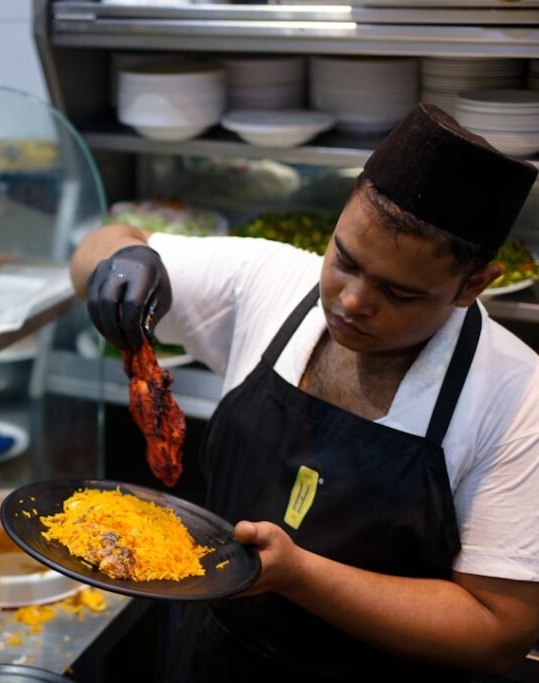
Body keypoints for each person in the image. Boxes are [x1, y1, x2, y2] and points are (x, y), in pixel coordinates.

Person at [71, 102, 539, 681]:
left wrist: (299, 575)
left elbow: (499, 630)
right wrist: (119, 263)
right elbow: (103, 241)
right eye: (345, 258)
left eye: (400, 293)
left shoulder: (517, 397)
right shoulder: (270, 280)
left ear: (473, 285)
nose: (351, 301)